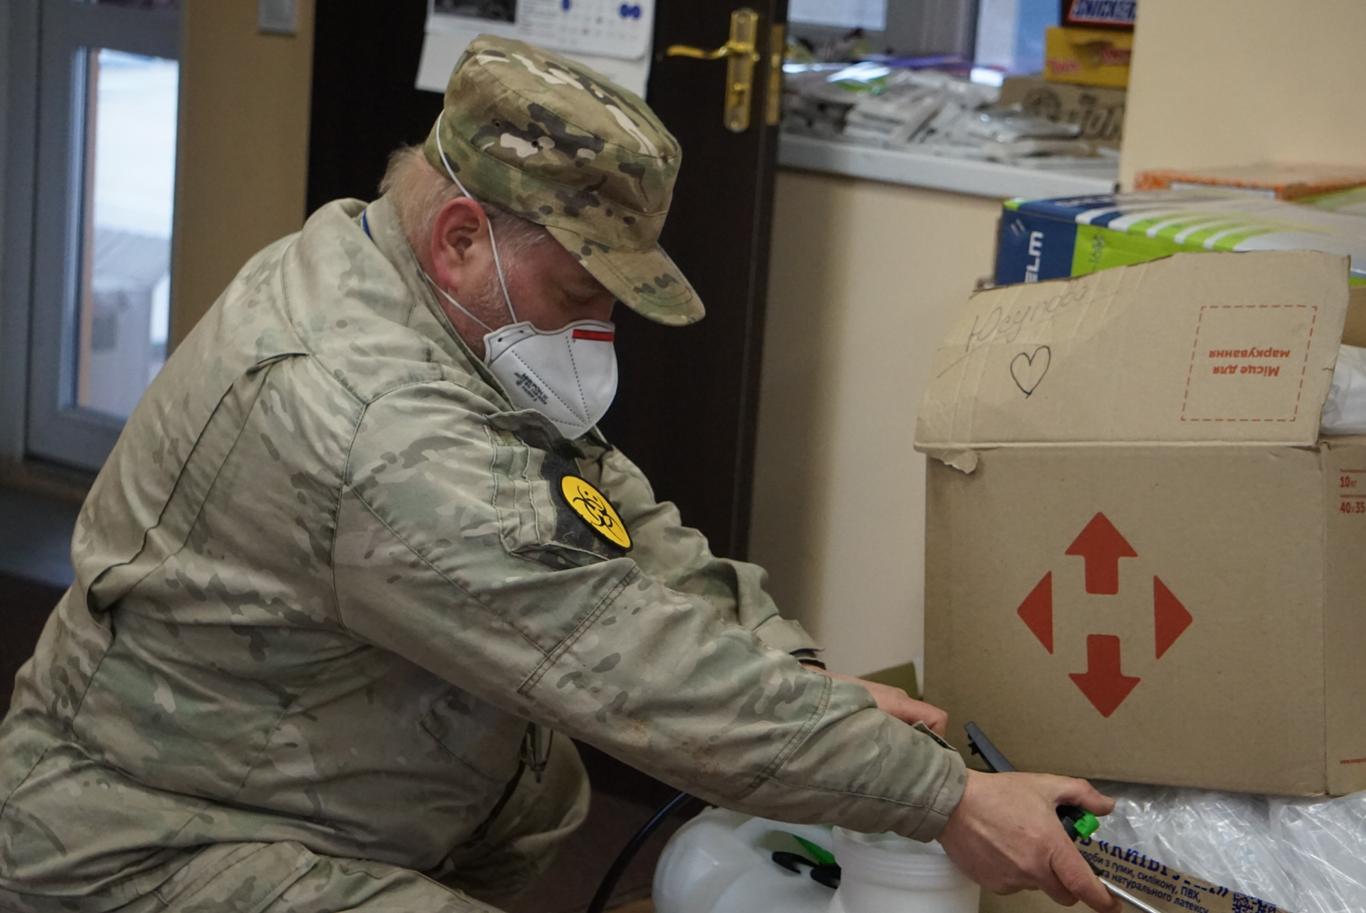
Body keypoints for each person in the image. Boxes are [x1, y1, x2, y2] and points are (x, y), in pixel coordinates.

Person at [0, 36, 1119, 913]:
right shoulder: (373, 419)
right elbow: (629, 665)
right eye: (581, 297)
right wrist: (949, 802)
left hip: (302, 781)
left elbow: (597, 500)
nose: (598, 337)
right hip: (147, 840)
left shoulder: (383, 261)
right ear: (460, 238)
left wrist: (791, 663)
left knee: (542, 794)